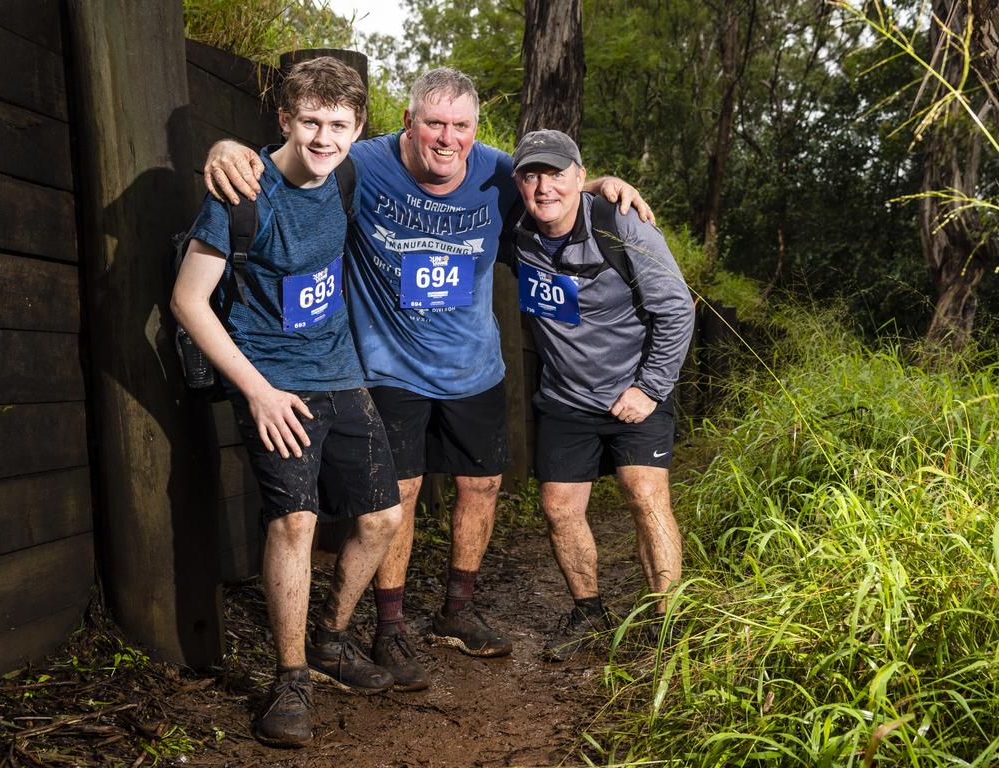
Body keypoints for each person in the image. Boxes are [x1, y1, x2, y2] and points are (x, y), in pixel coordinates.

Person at [204, 68, 654, 691]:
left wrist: (602, 183)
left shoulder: (500, 173)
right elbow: (293, 162)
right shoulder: (361, 164)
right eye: (434, 123)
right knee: (401, 494)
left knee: (482, 485)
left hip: (474, 367)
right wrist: (227, 150)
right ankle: (389, 629)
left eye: (461, 127)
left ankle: (457, 612)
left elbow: (555, 188)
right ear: (407, 123)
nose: (447, 139)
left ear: (474, 131)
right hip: (389, 367)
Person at [171, 57, 403, 748]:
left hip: (340, 369)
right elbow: (187, 301)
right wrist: (260, 392)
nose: (323, 138)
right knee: (295, 522)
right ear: (283, 119)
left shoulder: (351, 175)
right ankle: (291, 678)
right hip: (270, 378)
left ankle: (331, 637)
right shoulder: (242, 191)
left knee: (384, 518)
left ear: (357, 127)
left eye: (338, 125)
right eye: (310, 123)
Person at [503, 129, 694, 662]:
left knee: (645, 495)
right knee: (558, 506)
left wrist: (650, 388)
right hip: (566, 397)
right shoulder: (514, 229)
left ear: (580, 178)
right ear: (518, 182)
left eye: (557, 173)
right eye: (532, 175)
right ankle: (588, 613)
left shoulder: (621, 226)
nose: (544, 188)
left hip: (635, 391)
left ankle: (666, 622)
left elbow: (677, 309)